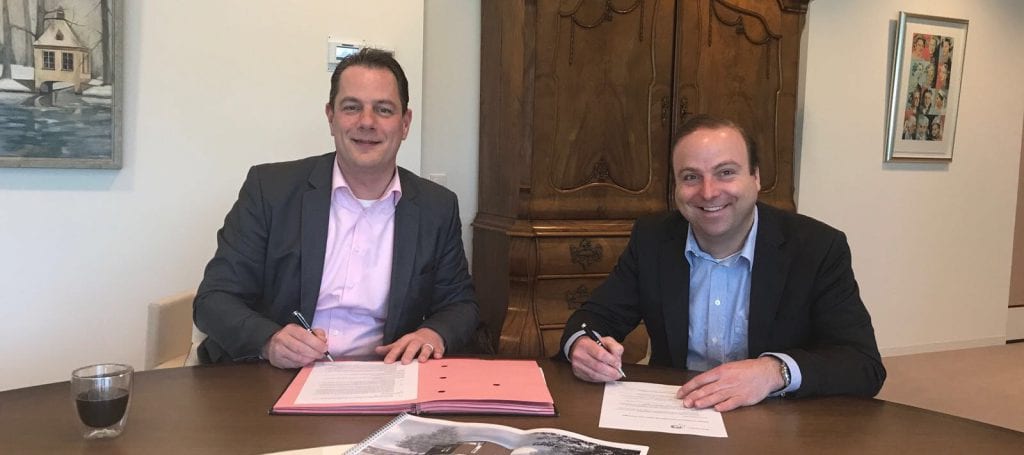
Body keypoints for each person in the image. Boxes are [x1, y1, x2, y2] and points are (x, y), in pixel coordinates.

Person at [560, 115, 885, 412]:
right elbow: (594, 319)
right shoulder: (653, 239)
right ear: (676, 186)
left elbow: (862, 363)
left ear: (756, 177)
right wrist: (582, 346)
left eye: (725, 172)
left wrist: (774, 371)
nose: (708, 192)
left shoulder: (817, 247)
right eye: (691, 177)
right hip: (678, 415)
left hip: (775, 422)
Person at [194, 48, 479, 369]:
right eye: (352, 107)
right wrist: (269, 341)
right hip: (275, 375)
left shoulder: (436, 207)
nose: (367, 122)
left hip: (383, 375)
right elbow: (214, 299)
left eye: (384, 110)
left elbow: (460, 305)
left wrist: (432, 333)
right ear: (331, 117)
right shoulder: (270, 189)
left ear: (405, 123)